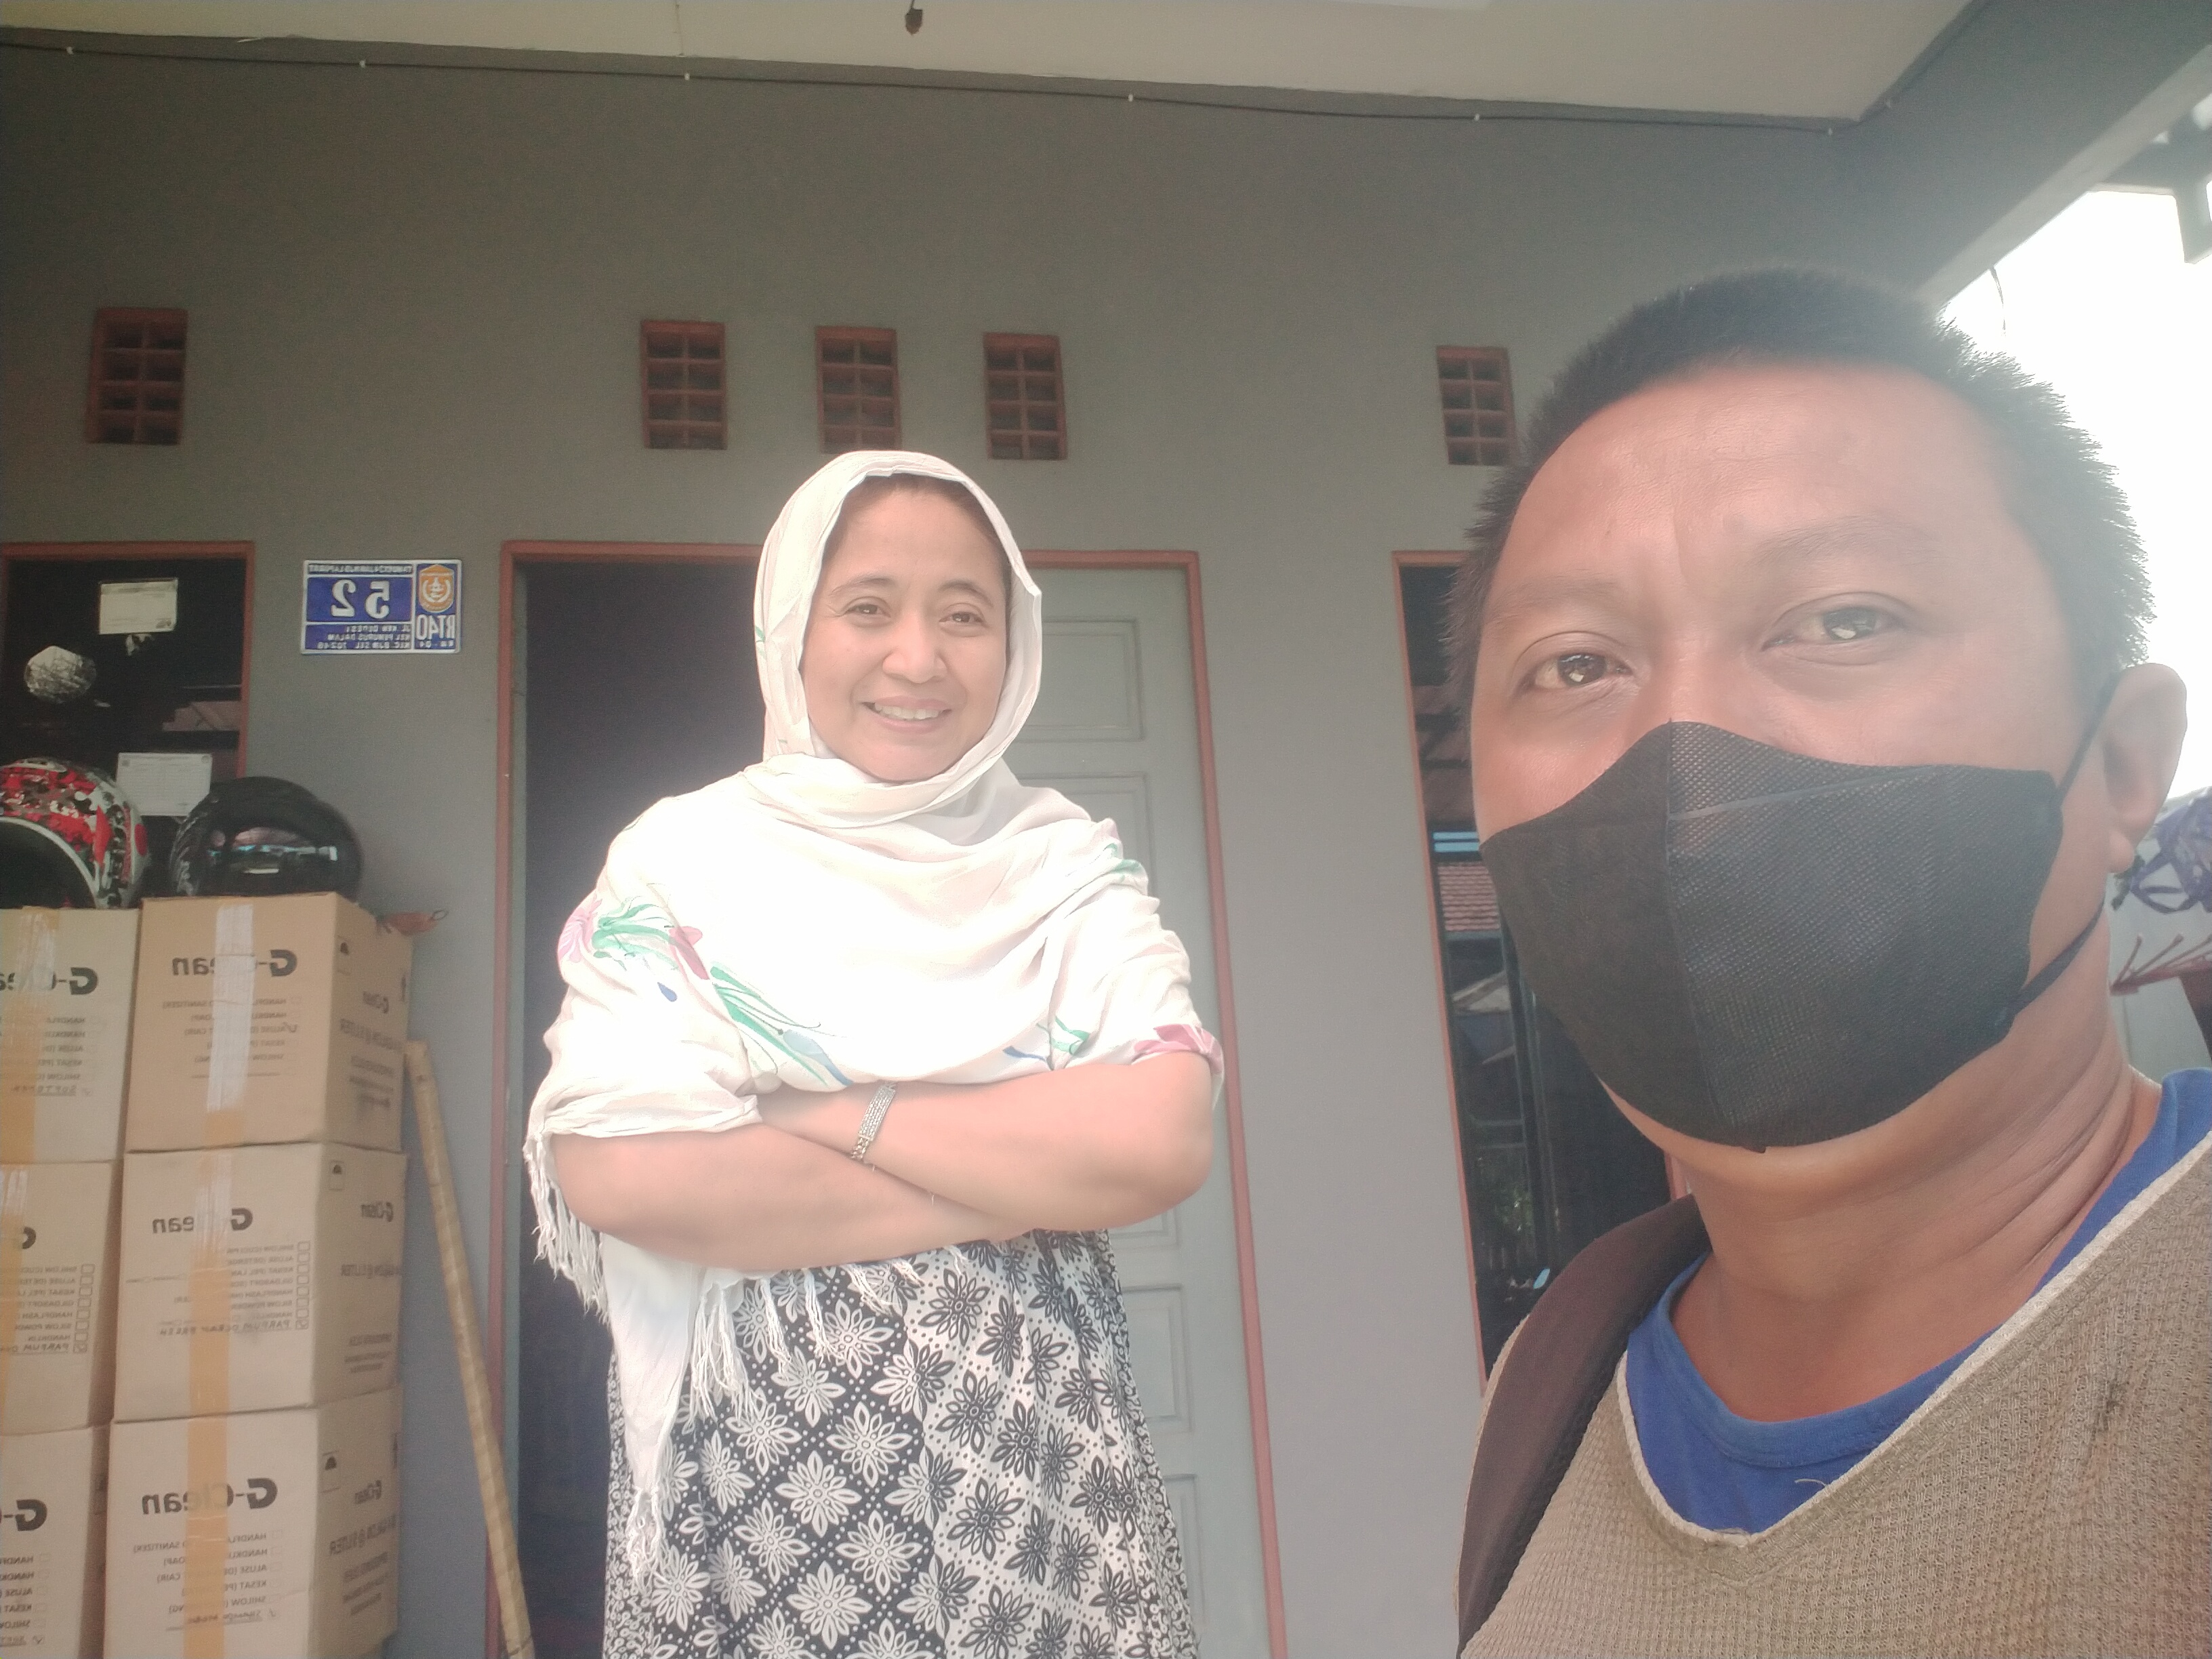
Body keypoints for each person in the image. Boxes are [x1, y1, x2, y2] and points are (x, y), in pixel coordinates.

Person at [1450, 270, 2207, 1656]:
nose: (1686, 760)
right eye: (1575, 665)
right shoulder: (1552, 1392)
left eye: (1846, 619)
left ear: (2119, 765)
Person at [529, 451, 1214, 1659]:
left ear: (1014, 644)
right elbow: (622, 1169)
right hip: (765, 1482)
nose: (918, 657)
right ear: (791, 631)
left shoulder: (1064, 867)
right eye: (867, 606)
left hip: (1039, 1474)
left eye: (965, 614)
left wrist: (829, 1111)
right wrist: (1024, 1184)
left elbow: (1158, 1138)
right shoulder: (684, 866)